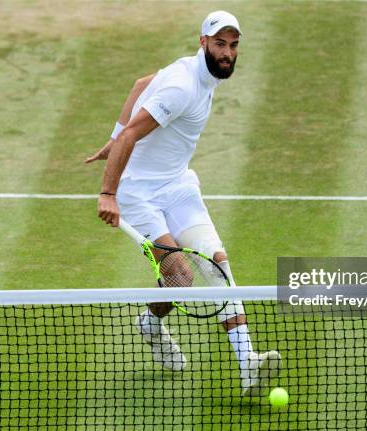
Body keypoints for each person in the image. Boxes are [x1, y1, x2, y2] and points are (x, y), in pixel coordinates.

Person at [86, 10, 280, 396]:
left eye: (233, 45)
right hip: (138, 194)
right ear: (202, 42)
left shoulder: (202, 74)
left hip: (178, 185)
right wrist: (109, 191)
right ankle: (151, 324)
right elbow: (130, 138)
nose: (227, 53)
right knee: (182, 277)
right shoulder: (182, 88)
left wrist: (116, 132)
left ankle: (249, 366)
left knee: (218, 264)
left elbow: (141, 83)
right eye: (220, 44)